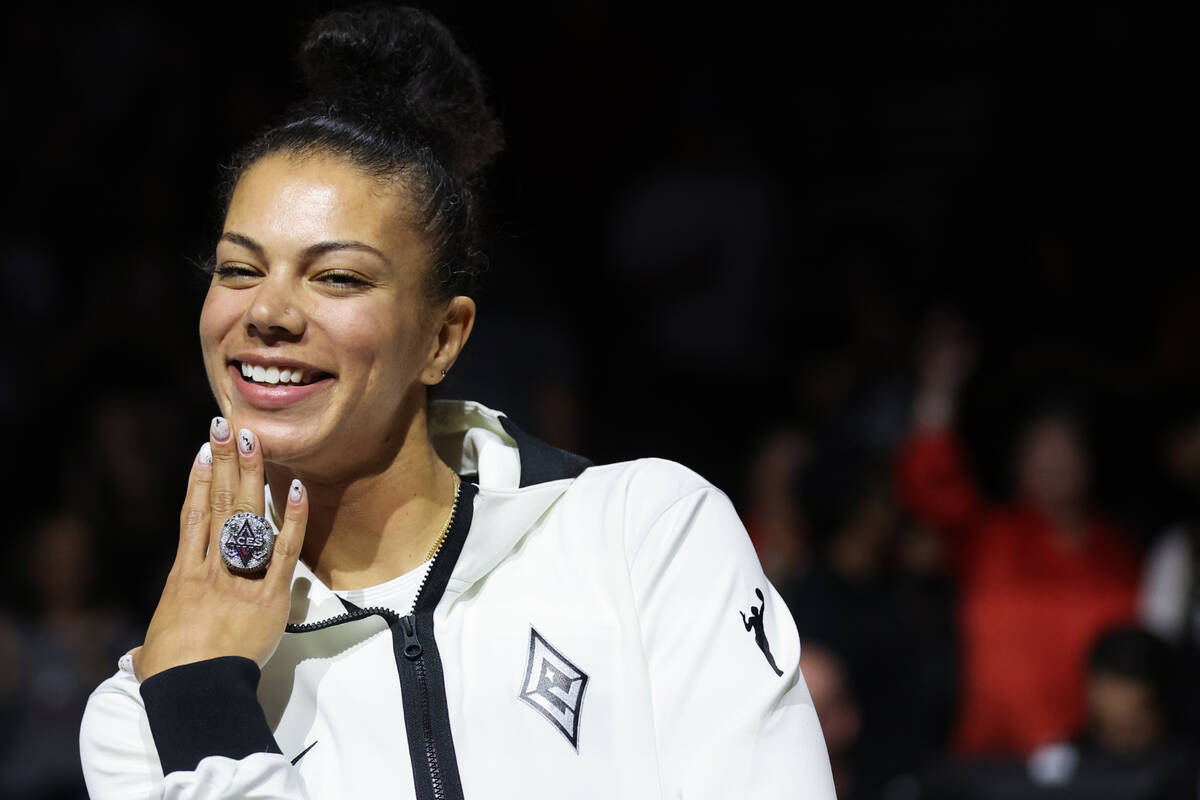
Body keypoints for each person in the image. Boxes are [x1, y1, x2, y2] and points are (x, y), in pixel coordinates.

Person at [77, 6, 834, 799]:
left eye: (337, 276)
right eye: (238, 269)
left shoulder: (646, 535)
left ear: (444, 338)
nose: (267, 311)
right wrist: (203, 699)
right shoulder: (142, 711)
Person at [893, 315, 1140, 757]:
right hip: (996, 758)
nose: (1053, 460)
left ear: (1088, 461)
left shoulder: (1117, 550)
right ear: (1017, 462)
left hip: (1097, 761)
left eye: (1066, 447)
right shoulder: (990, 536)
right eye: (1039, 447)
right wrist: (939, 390)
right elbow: (928, 483)